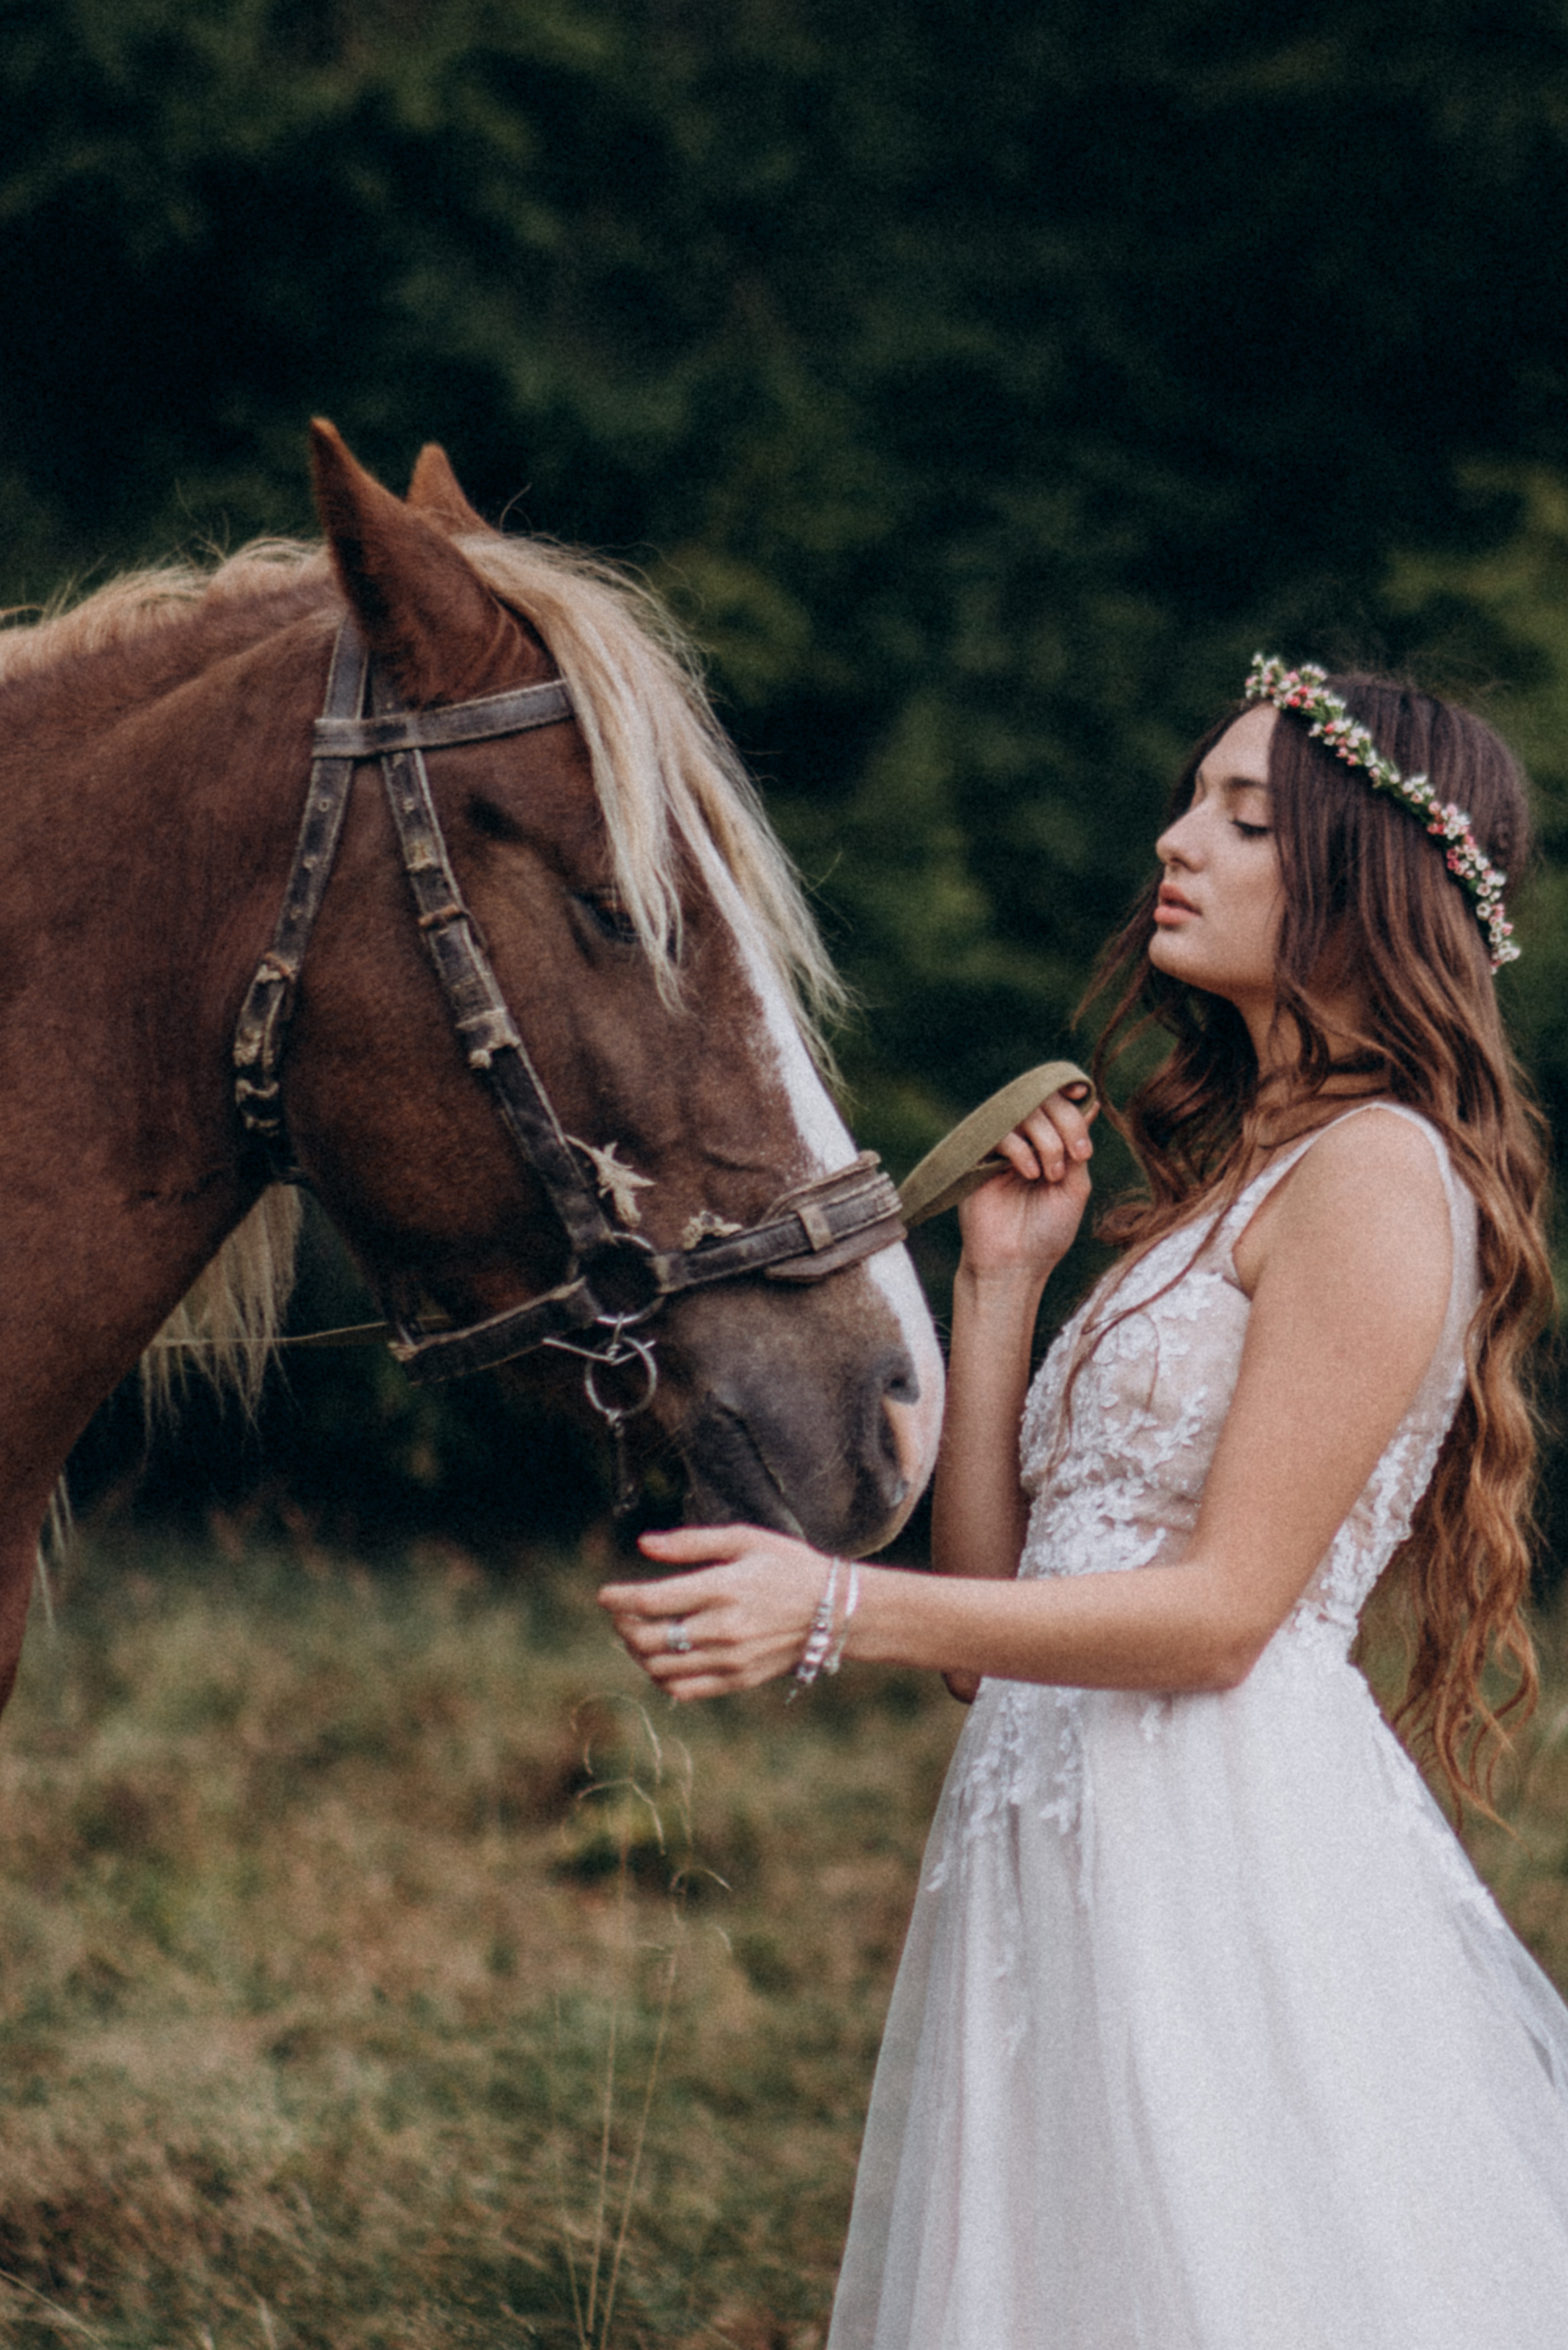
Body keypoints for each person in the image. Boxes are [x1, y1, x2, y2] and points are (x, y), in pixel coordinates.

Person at [599, 658, 1568, 2349]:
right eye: (1195, 799)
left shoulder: (1379, 1175)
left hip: (1222, 1849)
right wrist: (1000, 1285)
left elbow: (1217, 1619)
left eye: (1242, 816)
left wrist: (827, 1604)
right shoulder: (1230, 1181)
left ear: (1365, 879)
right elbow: (1005, 1625)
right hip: (1058, 1832)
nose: (1174, 839)